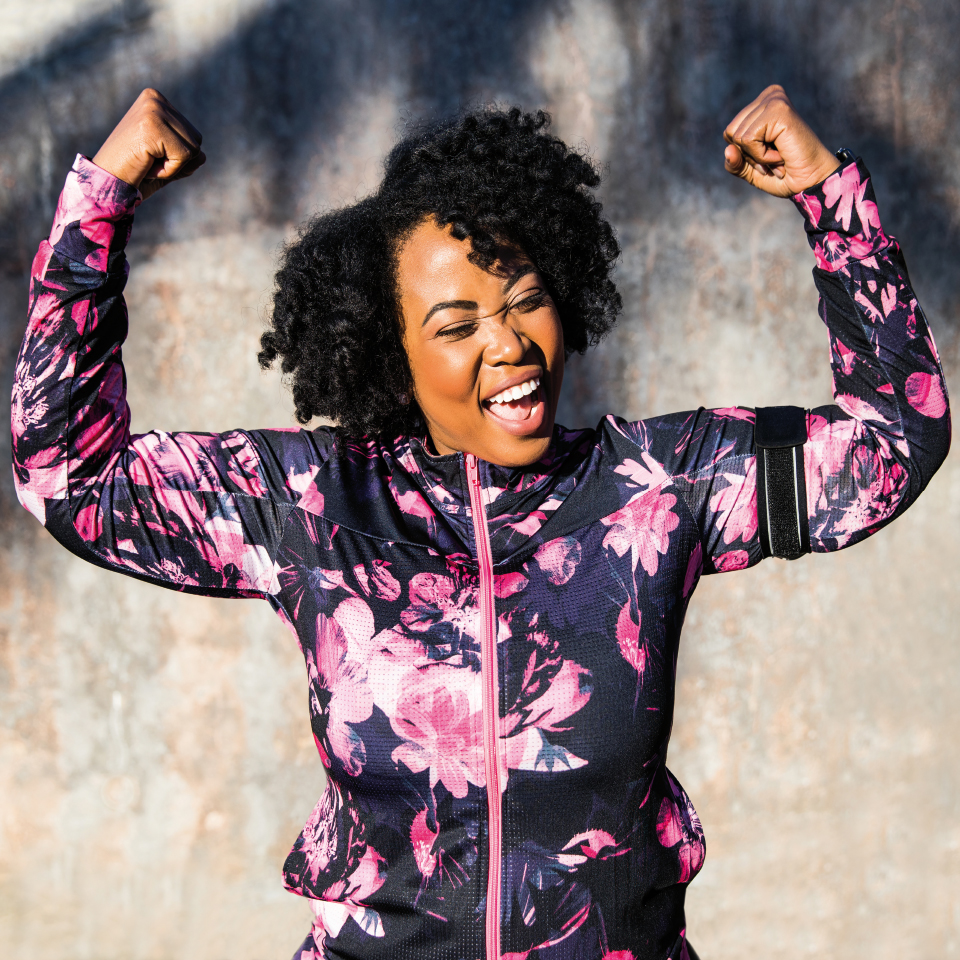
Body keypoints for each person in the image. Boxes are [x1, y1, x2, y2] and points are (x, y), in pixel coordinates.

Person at [10, 84, 949, 960]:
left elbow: (892, 437)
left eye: (526, 301)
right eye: (457, 327)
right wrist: (100, 204)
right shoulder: (311, 504)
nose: (508, 345)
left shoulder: (656, 487)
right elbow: (68, 472)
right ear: (393, 354)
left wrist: (832, 200)